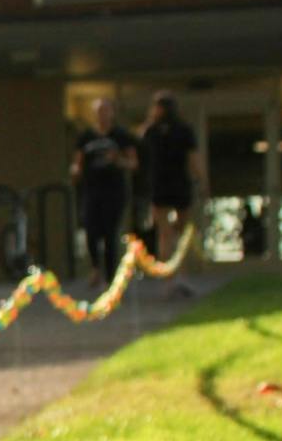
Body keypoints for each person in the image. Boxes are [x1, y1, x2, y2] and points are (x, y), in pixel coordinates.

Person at [138, 91, 206, 296]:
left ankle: (173, 278)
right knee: (173, 233)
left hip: (165, 185)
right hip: (173, 185)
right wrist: (202, 181)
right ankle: (175, 277)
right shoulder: (181, 130)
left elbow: (192, 158)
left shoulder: (153, 130)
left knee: (167, 234)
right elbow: (194, 159)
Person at [70, 96, 137, 288]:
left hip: (114, 191)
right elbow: (78, 162)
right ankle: (95, 269)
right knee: (91, 231)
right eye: (98, 111)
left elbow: (133, 163)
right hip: (92, 190)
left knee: (110, 233)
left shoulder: (121, 135)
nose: (102, 115)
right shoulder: (86, 137)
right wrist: (75, 171)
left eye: (105, 110)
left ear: (112, 113)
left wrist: (118, 161)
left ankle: (110, 276)